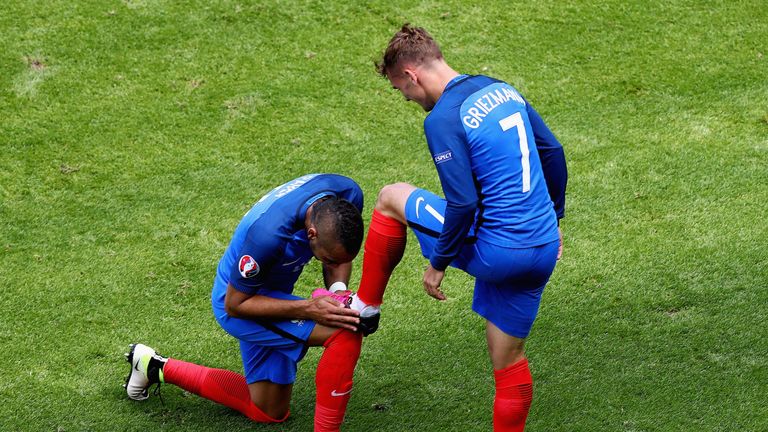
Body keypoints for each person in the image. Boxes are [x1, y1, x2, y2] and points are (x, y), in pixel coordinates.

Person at [352, 25, 568, 431]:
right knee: (508, 362)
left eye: (403, 90)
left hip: (498, 252)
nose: (409, 99)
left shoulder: (442, 119)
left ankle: (366, 305)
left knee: (391, 196)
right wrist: (554, 220)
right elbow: (553, 151)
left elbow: (463, 203)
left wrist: (439, 263)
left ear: (411, 75)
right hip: (540, 251)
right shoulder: (501, 88)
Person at [124, 173, 374, 432]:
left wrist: (337, 291)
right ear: (311, 233)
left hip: (274, 293)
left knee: (268, 411)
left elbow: (341, 254)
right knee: (344, 332)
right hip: (240, 302)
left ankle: (150, 365)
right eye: (329, 260)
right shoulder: (269, 235)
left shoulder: (345, 198)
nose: (334, 265)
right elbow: (235, 305)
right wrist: (309, 309)